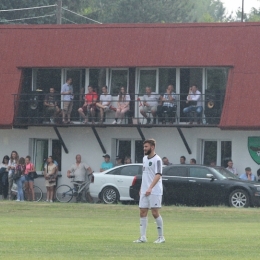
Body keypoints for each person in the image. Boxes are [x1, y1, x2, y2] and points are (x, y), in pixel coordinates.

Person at [133, 139, 165, 243]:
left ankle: (161, 237)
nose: (144, 149)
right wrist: (142, 188)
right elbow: (145, 175)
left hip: (154, 190)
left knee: (155, 213)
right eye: (144, 147)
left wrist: (150, 187)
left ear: (152, 147)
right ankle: (143, 237)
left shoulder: (158, 160)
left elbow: (158, 175)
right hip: (144, 190)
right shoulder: (144, 159)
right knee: (142, 212)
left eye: (146, 147)